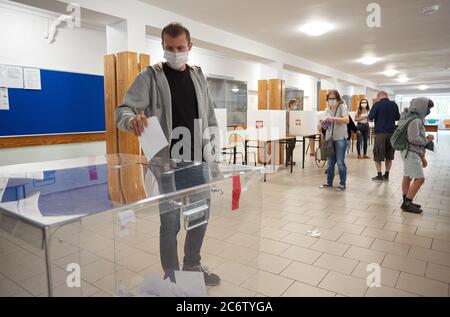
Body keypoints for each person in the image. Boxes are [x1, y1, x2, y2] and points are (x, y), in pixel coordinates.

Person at [115, 22, 220, 286]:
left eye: (180, 47)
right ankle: (172, 276)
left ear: (190, 47)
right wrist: (131, 121)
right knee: (170, 222)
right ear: (163, 47)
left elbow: (209, 116)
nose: (175, 52)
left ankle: (193, 265)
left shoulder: (198, 75)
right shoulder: (150, 76)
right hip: (167, 164)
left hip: (198, 160)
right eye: (169, 48)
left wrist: (215, 155)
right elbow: (123, 110)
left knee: (199, 217)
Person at [400, 98, 435, 214]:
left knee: (408, 176)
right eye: (428, 108)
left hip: (407, 151)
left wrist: (422, 156)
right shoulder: (415, 120)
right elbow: (413, 139)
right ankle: (407, 203)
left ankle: (406, 200)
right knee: (420, 179)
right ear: (422, 107)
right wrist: (427, 139)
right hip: (411, 152)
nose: (428, 110)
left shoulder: (408, 117)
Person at [319, 90, 350, 191]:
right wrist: (323, 123)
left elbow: (346, 120)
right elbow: (326, 127)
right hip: (330, 139)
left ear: (337, 98)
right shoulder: (327, 110)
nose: (331, 100)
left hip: (341, 138)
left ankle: (342, 184)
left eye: (333, 98)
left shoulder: (342, 107)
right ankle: (329, 183)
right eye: (329, 99)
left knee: (340, 162)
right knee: (330, 162)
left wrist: (333, 118)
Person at [368, 91, 400, 182]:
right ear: (386, 96)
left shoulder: (377, 104)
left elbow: (370, 117)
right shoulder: (394, 104)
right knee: (389, 155)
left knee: (377, 154)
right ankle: (386, 175)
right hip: (392, 133)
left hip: (380, 133)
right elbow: (397, 117)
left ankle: (379, 175)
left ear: (379, 97)